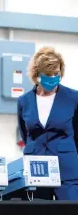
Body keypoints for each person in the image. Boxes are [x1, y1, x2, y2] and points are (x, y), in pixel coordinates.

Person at [18, 47, 78, 200]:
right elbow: (26, 135)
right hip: (36, 169)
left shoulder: (73, 98)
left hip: (67, 170)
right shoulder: (24, 101)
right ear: (37, 75)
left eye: (56, 74)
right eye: (48, 74)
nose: (52, 77)